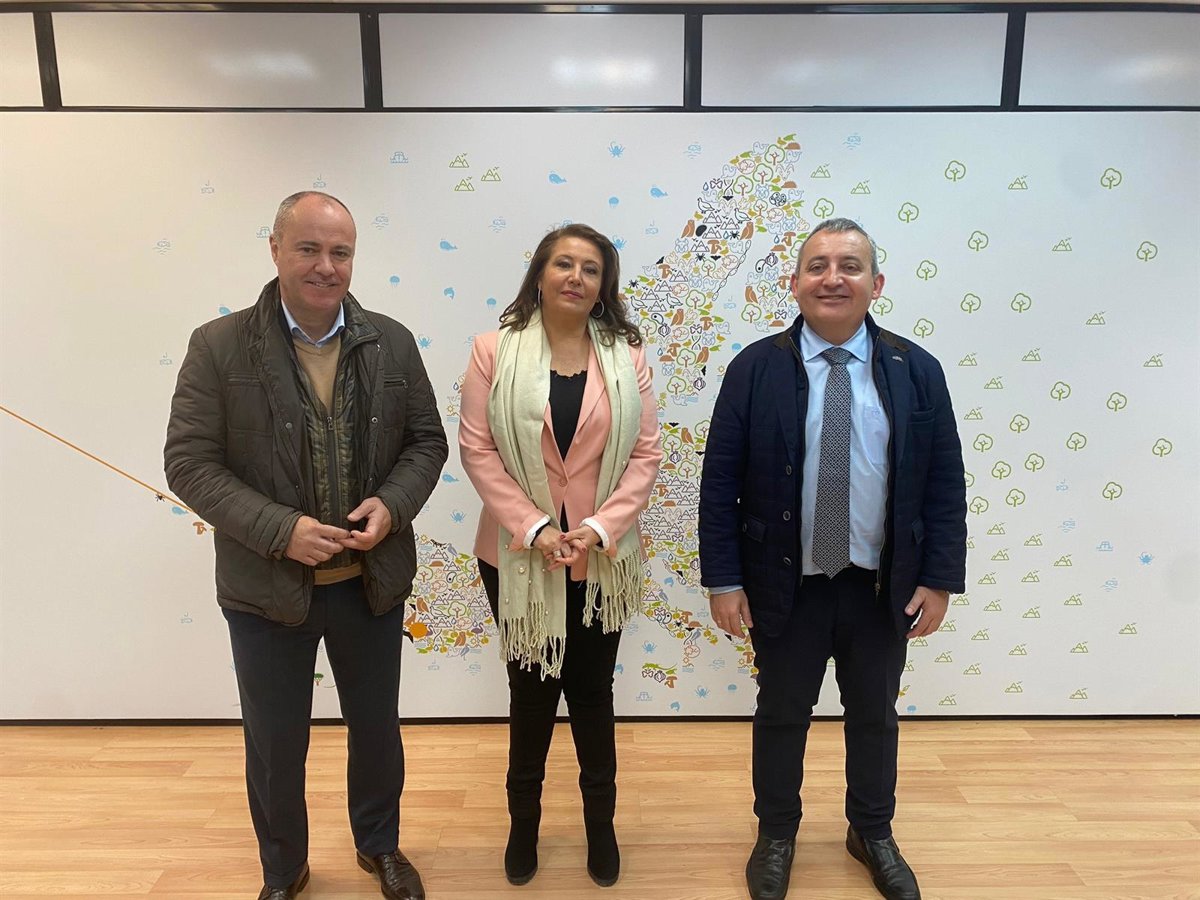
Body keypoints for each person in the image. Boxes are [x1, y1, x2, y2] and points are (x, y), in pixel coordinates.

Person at [164, 191, 448, 900]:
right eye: (309, 249)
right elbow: (189, 464)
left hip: (370, 584)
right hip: (265, 592)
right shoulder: (218, 345)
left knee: (375, 730)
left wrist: (392, 505)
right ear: (275, 250)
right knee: (275, 742)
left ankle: (379, 846)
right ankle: (283, 868)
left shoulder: (392, 341)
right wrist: (280, 530)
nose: (326, 266)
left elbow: (426, 443)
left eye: (340, 252)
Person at [699, 218, 967, 900]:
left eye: (850, 265)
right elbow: (719, 481)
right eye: (817, 265)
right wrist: (724, 579)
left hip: (882, 584)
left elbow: (944, 482)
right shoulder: (755, 368)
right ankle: (776, 833)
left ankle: (871, 830)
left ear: (877, 283)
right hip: (785, 582)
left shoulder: (917, 370)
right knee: (781, 712)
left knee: (875, 714)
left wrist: (939, 579)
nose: (833, 278)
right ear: (793, 283)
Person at [458, 224, 661, 888]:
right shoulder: (493, 350)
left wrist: (598, 528)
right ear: (540, 275)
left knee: (593, 694)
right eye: (564, 264)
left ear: (604, 286)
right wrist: (536, 526)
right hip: (519, 554)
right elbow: (477, 449)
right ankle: (524, 826)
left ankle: (601, 827)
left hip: (601, 555)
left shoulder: (628, 357)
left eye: (591, 268)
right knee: (531, 693)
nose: (576, 276)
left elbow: (645, 454)